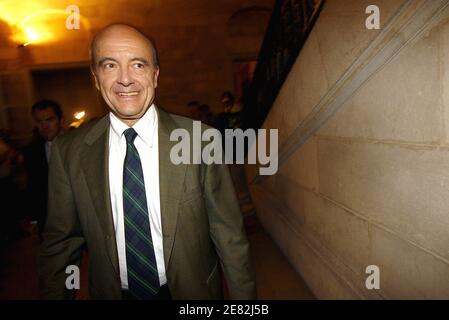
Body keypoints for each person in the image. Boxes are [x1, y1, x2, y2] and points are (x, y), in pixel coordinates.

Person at [38, 23, 256, 300]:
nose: (125, 79)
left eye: (138, 65)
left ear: (155, 75)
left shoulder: (200, 140)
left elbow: (230, 237)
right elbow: (61, 244)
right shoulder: (68, 151)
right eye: (110, 66)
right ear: (95, 78)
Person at [23, 100, 64, 242]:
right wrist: (34, 220)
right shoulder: (32, 151)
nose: (44, 126)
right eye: (39, 121)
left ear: (60, 120)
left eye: (49, 120)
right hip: (47, 220)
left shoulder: (78, 145)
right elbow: (32, 186)